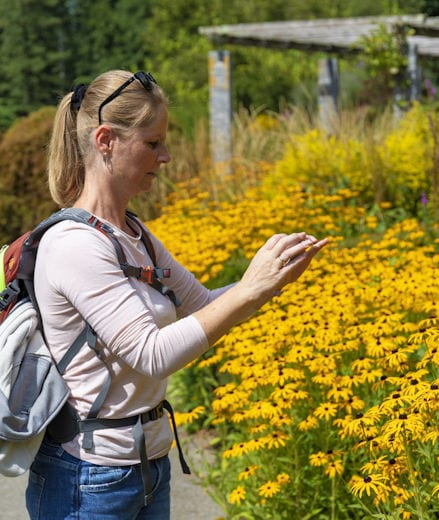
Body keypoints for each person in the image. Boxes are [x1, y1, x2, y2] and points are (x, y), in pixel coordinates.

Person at [25, 69, 328, 519]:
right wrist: (249, 288)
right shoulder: (74, 244)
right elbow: (151, 354)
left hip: (148, 467)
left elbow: (204, 305)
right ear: (105, 140)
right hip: (88, 478)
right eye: (152, 143)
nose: (165, 156)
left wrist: (271, 281)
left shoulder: (134, 233)